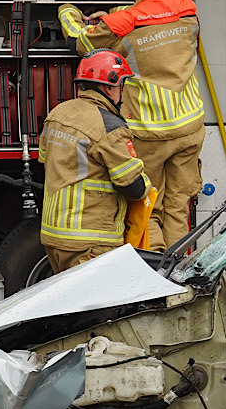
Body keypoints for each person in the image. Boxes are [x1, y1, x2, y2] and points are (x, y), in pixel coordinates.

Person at [76, 0, 204, 250]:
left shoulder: (123, 23)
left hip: (150, 131)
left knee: (150, 206)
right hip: (190, 127)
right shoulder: (187, 8)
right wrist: (118, 15)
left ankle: (155, 270)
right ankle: (180, 268)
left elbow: (83, 44)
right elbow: (155, 17)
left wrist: (68, 13)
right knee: (178, 207)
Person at [40, 50, 151, 274]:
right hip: (91, 240)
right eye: (122, 86)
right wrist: (147, 182)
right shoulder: (109, 126)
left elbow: (44, 158)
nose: (123, 94)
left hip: (54, 236)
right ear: (110, 87)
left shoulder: (58, 114)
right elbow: (133, 187)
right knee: (98, 298)